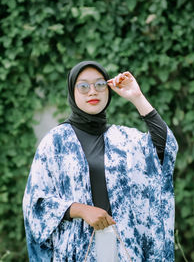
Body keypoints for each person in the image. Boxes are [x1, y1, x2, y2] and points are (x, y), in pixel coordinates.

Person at [23, 61, 178, 262]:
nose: (92, 91)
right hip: (76, 251)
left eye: (100, 84)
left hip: (124, 248)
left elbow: (166, 150)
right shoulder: (55, 142)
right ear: (72, 91)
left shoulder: (124, 139)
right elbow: (35, 203)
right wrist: (80, 209)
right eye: (83, 86)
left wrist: (137, 97)